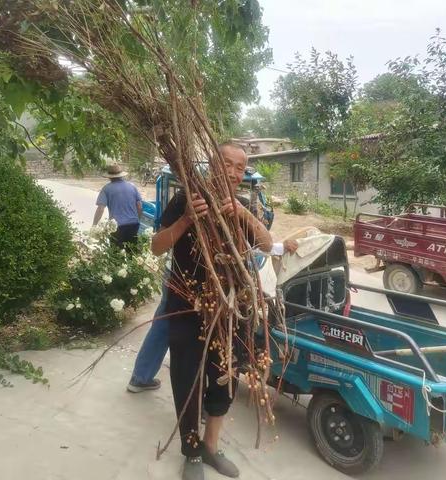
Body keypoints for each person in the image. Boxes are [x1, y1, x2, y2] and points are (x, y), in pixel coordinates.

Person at [151, 143, 272, 480]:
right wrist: (188, 218)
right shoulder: (186, 198)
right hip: (187, 306)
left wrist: (244, 214)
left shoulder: (243, 207)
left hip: (227, 308)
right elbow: (156, 245)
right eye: (227, 164)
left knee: (225, 376)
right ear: (213, 165)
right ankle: (191, 452)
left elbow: (265, 243)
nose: (233, 173)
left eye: (240, 167)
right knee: (187, 376)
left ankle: (211, 446)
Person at [126, 240, 298, 393]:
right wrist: (278, 247)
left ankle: (141, 377)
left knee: (164, 323)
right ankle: (198, 403)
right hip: (192, 278)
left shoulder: (190, 206)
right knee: (196, 336)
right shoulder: (217, 210)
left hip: (176, 272)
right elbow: (243, 244)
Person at [93, 164, 143, 249]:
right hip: (133, 225)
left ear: (109, 177)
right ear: (121, 175)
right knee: (132, 254)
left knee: (116, 255)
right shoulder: (132, 187)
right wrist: (137, 219)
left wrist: (94, 225)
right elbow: (139, 206)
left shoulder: (106, 189)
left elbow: (100, 208)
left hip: (116, 227)